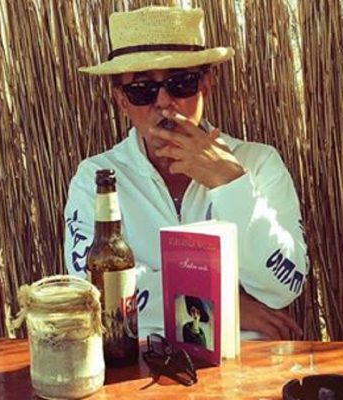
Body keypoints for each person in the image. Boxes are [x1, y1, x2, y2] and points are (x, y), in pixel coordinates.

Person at [64, 6, 307, 340]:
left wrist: (230, 183)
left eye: (181, 83)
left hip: (246, 356)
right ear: (121, 100)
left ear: (205, 84)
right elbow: (94, 289)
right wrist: (224, 305)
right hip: (141, 357)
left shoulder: (259, 163)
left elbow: (285, 286)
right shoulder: (96, 178)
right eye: (141, 89)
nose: (164, 101)